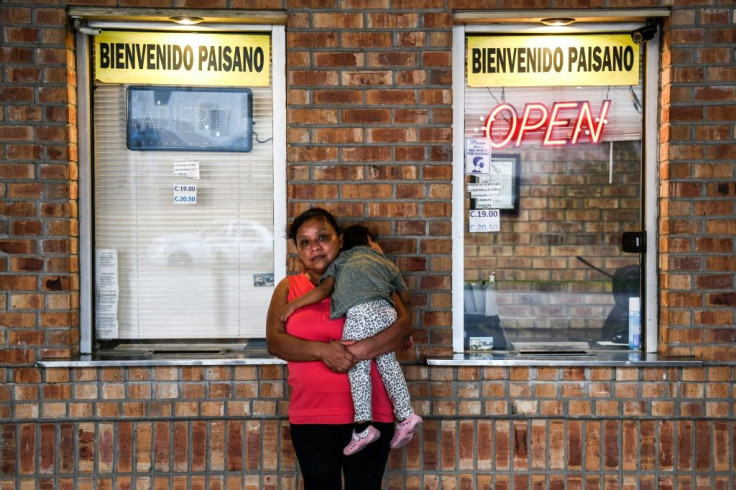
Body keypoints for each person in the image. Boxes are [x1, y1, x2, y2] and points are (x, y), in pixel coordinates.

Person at [266, 208, 414, 490]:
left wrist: (352, 353)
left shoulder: (368, 276)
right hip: (312, 416)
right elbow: (275, 342)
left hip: (371, 415)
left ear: (340, 239)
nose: (315, 248)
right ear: (297, 250)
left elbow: (404, 327)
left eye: (323, 237)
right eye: (305, 242)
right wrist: (324, 351)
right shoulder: (289, 288)